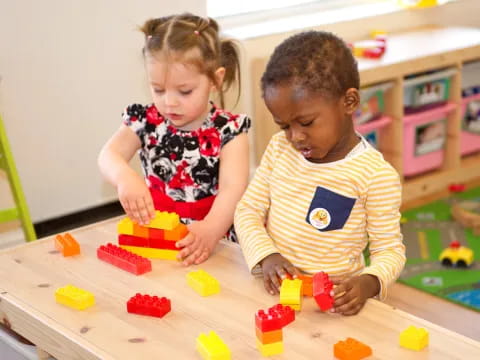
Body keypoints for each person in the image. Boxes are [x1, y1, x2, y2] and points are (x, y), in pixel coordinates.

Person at [234, 31, 405, 315]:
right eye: (284, 126)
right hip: (273, 292)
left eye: (306, 122)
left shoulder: (376, 176)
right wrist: (267, 256)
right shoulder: (279, 149)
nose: (295, 137)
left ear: (349, 102)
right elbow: (248, 210)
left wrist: (368, 283)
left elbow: (390, 252)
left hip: (331, 306)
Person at [98, 13, 250, 266]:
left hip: (212, 239)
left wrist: (211, 230)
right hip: (157, 236)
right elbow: (108, 155)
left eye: (184, 91)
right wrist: (125, 178)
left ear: (216, 79)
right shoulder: (146, 120)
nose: (169, 102)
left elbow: (233, 189)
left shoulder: (230, 131)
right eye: (158, 89)